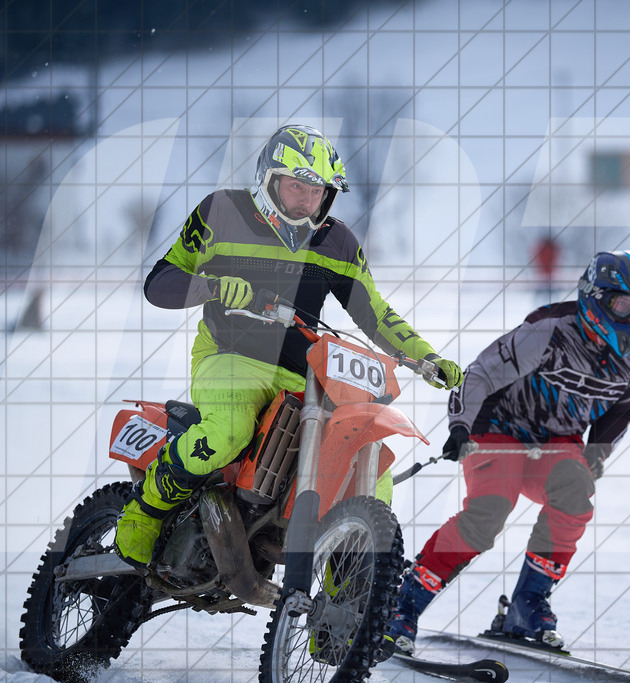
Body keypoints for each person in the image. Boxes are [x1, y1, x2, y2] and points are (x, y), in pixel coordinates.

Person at [114, 124, 465, 568]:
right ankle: (147, 509)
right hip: (228, 355)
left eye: (315, 191)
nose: (305, 200)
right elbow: (159, 282)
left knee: (368, 467)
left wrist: (426, 356)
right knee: (227, 433)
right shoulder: (221, 212)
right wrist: (214, 286)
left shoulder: (337, 242)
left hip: (305, 376)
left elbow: (374, 312)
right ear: (269, 180)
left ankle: (349, 610)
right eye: (296, 186)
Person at [386, 249, 630, 655]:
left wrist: (595, 457)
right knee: (490, 511)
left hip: (557, 441)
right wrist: (460, 426)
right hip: (498, 426)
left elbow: (618, 414)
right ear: (595, 298)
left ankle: (528, 604)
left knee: (576, 492)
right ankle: (403, 606)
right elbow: (480, 374)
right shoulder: (549, 330)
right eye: (623, 305)